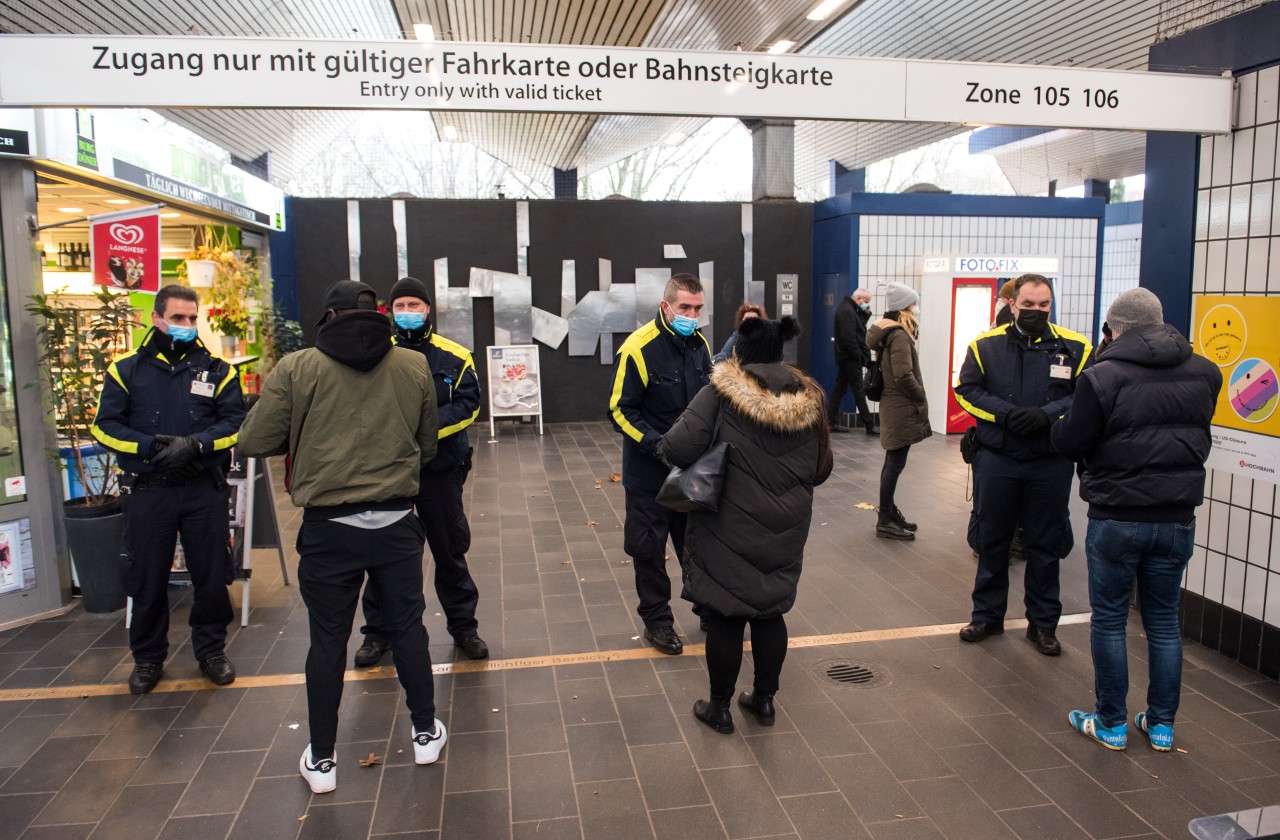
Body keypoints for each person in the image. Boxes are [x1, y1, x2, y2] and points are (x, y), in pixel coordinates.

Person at [238, 281, 446, 794]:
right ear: (379, 314)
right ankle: (424, 733)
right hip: (397, 521)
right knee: (408, 629)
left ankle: (324, 760)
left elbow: (255, 440)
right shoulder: (412, 364)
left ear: (327, 315)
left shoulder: (297, 367)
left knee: (328, 640)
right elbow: (427, 445)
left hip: (329, 530)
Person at [1052, 289, 1220, 751]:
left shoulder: (1102, 376)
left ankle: (1110, 723)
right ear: (1161, 322)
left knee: (1109, 620)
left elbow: (1072, 442)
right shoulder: (1206, 372)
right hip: (1176, 517)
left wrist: (1059, 424)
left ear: (1114, 329)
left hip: (1117, 515)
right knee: (1164, 621)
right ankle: (1161, 725)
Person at [657, 317, 832, 733]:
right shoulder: (810, 399)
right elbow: (822, 469)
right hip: (787, 526)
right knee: (770, 612)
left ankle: (719, 708)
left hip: (727, 525)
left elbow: (676, 447)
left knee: (727, 615)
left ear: (741, 353)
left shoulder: (720, 393)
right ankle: (764, 702)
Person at [91, 284, 245, 695]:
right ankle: (147, 658)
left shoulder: (217, 369)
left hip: (202, 489)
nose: (187, 325)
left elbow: (235, 423)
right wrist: (150, 446)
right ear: (157, 318)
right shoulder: (126, 369)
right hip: (149, 490)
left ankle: (211, 652)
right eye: (178, 318)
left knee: (211, 577)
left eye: (193, 318)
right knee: (147, 578)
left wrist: (196, 444)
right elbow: (104, 427)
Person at [954, 274, 1092, 656]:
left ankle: (1043, 624)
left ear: (1051, 304)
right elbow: (966, 390)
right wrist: (1006, 414)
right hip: (997, 458)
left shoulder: (1076, 346)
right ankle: (986, 616)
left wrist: (1046, 414)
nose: (1035, 312)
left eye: (1043, 305)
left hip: (1049, 461)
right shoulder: (985, 345)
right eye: (1027, 305)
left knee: (1045, 546)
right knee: (992, 540)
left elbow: (1086, 395)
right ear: (1012, 304)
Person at [354, 276, 488, 665]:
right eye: (401, 306)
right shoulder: (374, 355)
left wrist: (420, 432)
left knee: (449, 553)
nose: (408, 313)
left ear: (428, 309)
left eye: (415, 305)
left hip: (440, 470)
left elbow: (468, 405)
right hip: (388, 474)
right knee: (382, 555)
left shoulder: (455, 356)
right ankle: (377, 634)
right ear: (389, 311)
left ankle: (465, 628)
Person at [609, 273, 712, 655]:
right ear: (666, 306)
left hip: (691, 472)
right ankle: (658, 622)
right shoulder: (638, 348)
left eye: (698, 308)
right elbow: (619, 409)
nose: (692, 314)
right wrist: (657, 445)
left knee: (696, 545)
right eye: (685, 307)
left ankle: (707, 607)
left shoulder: (699, 344)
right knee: (648, 550)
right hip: (649, 475)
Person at [866, 283, 930, 540]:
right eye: (913, 304)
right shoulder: (900, 335)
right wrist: (920, 394)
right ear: (905, 307)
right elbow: (904, 375)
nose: (916, 308)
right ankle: (885, 519)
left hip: (892, 404)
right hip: (901, 405)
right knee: (894, 463)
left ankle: (889, 512)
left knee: (892, 462)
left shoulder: (888, 332)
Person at [830, 287, 879, 435]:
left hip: (847, 357)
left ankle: (830, 421)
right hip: (850, 358)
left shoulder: (849, 309)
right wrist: (860, 357)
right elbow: (849, 338)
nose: (866, 305)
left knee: (840, 389)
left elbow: (858, 329)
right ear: (858, 299)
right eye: (866, 302)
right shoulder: (847, 311)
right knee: (858, 390)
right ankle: (869, 425)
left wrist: (866, 313)